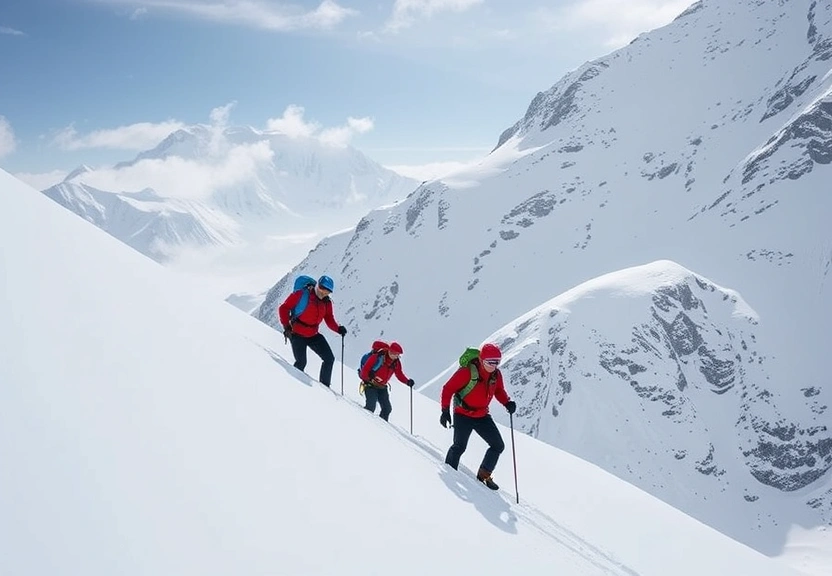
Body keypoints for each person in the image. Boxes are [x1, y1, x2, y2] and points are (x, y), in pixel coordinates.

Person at [439, 343, 516, 490]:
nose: (493, 365)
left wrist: (507, 402)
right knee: (459, 446)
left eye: (497, 362)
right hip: (463, 414)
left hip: (482, 414)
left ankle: (484, 475)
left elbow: (499, 391)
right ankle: (449, 472)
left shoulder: (496, 375)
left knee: (498, 445)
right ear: (481, 360)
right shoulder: (467, 372)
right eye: (490, 362)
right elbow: (448, 389)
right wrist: (445, 410)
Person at [278, 275, 347, 388]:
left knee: (329, 359)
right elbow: (283, 308)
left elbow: (329, 319)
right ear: (317, 285)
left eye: (327, 291)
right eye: (321, 288)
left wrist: (338, 329)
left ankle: (324, 389)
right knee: (301, 362)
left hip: (313, 334)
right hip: (297, 334)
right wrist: (287, 327)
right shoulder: (301, 294)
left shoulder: (327, 303)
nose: (323, 292)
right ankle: (294, 387)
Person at [359, 341, 414, 421]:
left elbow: (399, 374)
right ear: (390, 351)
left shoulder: (396, 362)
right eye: (395, 354)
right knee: (371, 406)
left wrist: (407, 381)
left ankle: (382, 428)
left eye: (398, 355)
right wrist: (367, 379)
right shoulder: (377, 357)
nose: (396, 356)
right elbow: (365, 370)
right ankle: (363, 422)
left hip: (382, 387)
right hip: (370, 385)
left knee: (387, 409)